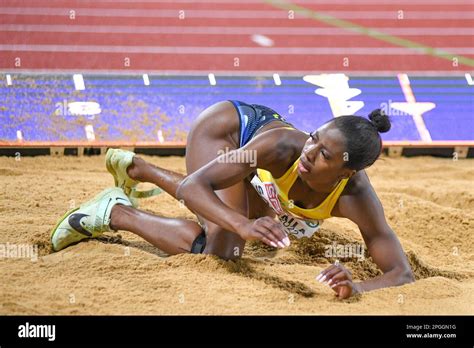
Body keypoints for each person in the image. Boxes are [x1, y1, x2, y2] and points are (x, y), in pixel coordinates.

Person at [51, 100, 414, 299]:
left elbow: (400, 272)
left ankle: (138, 170)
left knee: (260, 217)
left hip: (263, 175)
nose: (310, 152)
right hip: (229, 131)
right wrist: (242, 224)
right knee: (224, 247)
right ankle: (115, 212)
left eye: (324, 155)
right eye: (314, 138)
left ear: (346, 173)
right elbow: (196, 185)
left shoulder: (357, 198)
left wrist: (357, 288)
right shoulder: (284, 148)